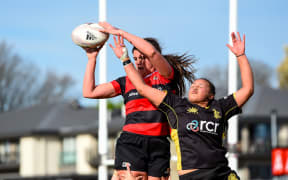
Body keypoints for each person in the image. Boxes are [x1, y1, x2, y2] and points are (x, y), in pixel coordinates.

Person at [112, 32, 254, 180]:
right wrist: (125, 59)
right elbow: (141, 88)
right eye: (193, 84)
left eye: (200, 85)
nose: (194, 87)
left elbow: (248, 89)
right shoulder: (176, 105)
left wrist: (240, 55)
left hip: (220, 173)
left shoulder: (221, 107)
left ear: (211, 95)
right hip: (192, 176)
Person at [82, 22, 196, 180]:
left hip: (159, 143)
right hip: (132, 141)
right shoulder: (125, 81)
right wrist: (92, 58)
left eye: (143, 57)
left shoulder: (165, 77)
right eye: (135, 58)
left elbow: (153, 53)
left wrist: (119, 32)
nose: (139, 62)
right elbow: (89, 92)